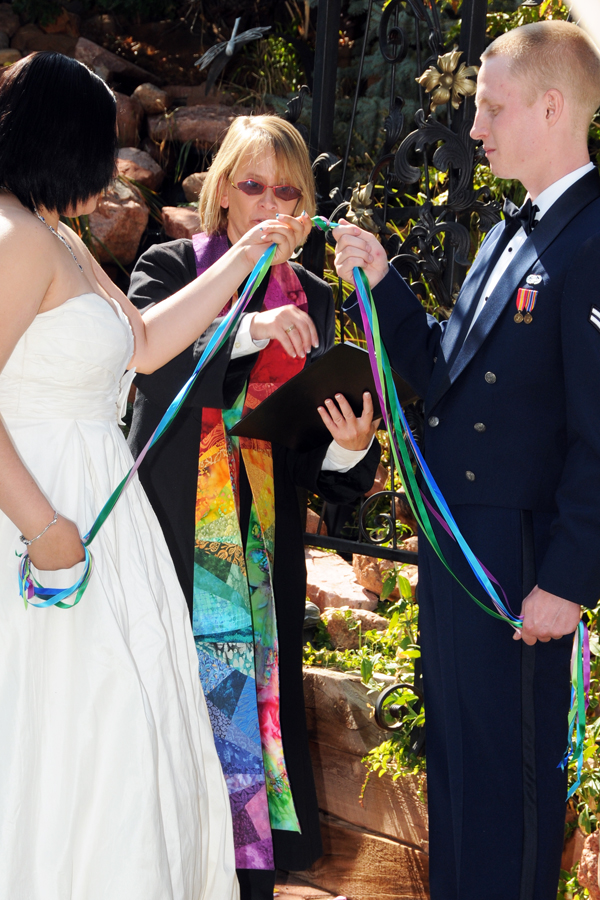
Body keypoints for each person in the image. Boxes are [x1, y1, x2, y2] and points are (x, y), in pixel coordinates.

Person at [0, 52, 310, 900]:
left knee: (134, 737)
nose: (110, 166)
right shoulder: (14, 237)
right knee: (73, 737)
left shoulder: (57, 233)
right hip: (45, 508)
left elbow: (142, 344)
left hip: (105, 508)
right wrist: (46, 529)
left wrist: (243, 255)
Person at [333, 20, 600, 900]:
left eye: (492, 107)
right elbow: (447, 373)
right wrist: (382, 284)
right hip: (461, 553)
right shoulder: (508, 233)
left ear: (552, 106)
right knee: (457, 770)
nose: (475, 128)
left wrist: (567, 580)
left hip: (522, 562)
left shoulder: (594, 242)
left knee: (509, 793)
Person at [127, 115, 381, 900]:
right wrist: (247, 326)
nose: (272, 204)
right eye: (253, 186)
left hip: (262, 548)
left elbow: (313, 458)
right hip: (174, 534)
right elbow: (152, 378)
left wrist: (347, 445)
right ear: (222, 199)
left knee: (249, 726)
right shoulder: (166, 268)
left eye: (289, 190)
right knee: (167, 716)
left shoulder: (310, 299)